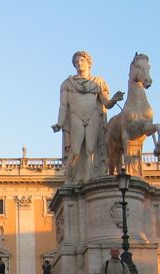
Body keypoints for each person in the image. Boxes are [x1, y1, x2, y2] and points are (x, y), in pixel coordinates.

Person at [52, 51, 124, 184]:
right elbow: (63, 106)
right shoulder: (67, 84)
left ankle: (88, 180)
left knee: (91, 150)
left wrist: (114, 99)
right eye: (76, 62)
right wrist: (60, 123)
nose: (79, 63)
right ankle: (69, 180)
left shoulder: (98, 82)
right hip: (76, 116)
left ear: (89, 63)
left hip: (93, 116)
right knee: (75, 150)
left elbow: (106, 103)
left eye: (82, 60)